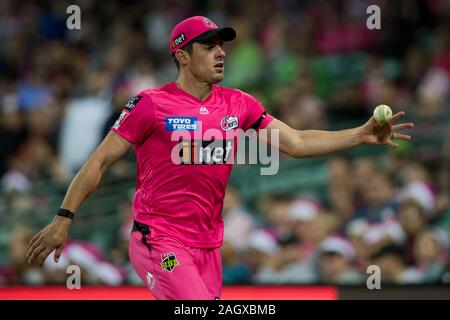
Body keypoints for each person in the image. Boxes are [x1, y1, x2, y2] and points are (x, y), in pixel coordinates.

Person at [26, 16, 414, 299]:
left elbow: (295, 141)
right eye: (208, 46)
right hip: (158, 240)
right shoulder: (150, 104)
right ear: (182, 55)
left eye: (221, 46)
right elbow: (98, 162)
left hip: (208, 247)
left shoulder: (238, 103)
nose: (220, 53)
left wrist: (359, 135)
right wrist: (63, 218)